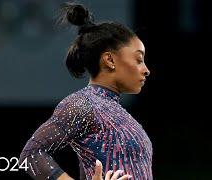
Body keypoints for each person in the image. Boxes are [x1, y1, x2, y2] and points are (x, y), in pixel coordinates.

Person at [20, 2, 152, 180]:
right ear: (109, 60)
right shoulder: (83, 104)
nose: (146, 69)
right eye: (138, 59)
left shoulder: (118, 113)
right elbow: (31, 155)